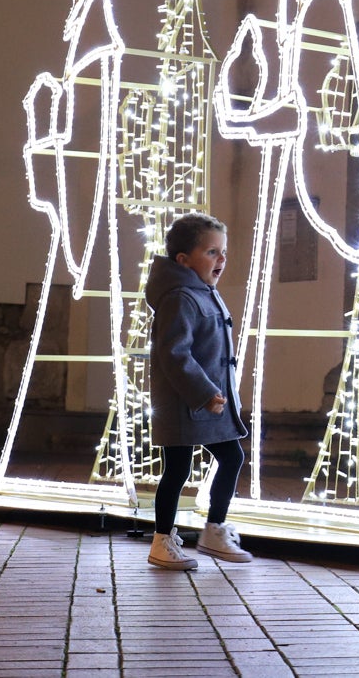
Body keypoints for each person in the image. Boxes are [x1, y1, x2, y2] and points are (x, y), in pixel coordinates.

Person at [144, 212, 252, 570]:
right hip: (184, 402)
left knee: (232, 457)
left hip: (210, 404)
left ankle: (214, 530)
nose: (221, 259)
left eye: (223, 252)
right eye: (211, 252)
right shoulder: (180, 298)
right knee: (177, 469)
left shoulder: (205, 294)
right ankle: (162, 541)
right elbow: (174, 353)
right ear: (183, 260)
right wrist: (204, 391)